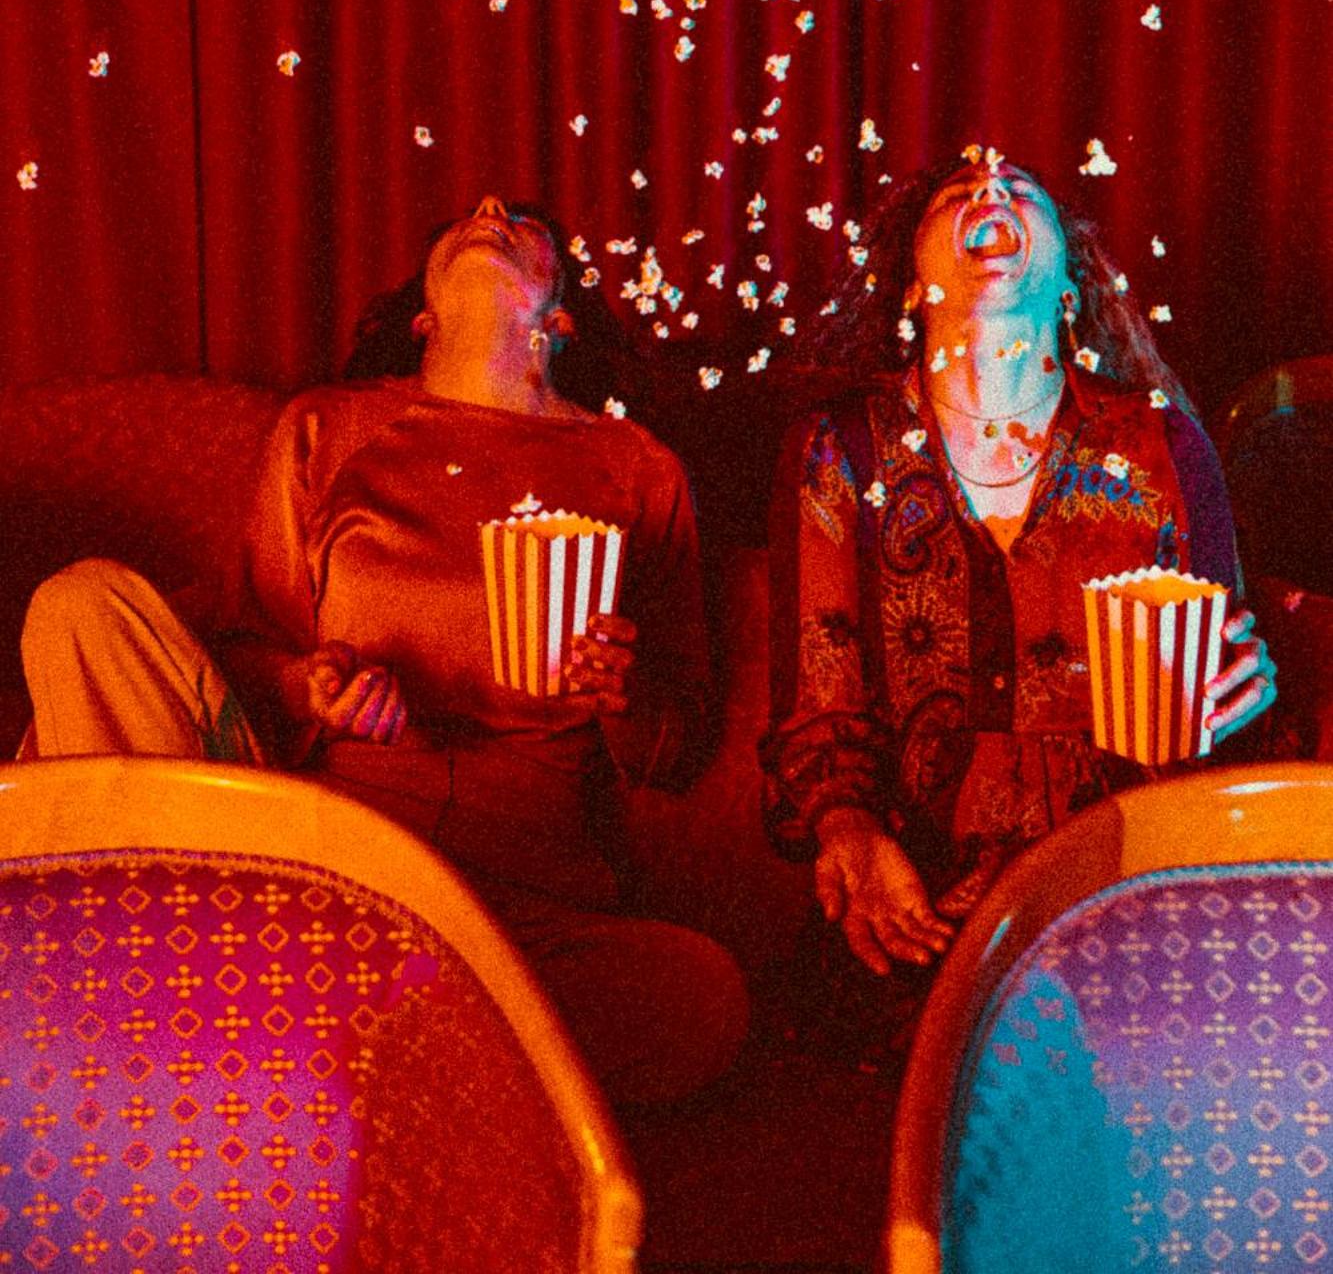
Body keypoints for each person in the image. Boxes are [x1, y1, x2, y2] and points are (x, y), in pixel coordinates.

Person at [22, 196, 747, 1106]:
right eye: (463, 224)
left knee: (699, 996)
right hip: (327, 867)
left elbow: (677, 746)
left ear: (559, 316)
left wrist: (624, 694)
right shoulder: (328, 431)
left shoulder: (635, 465)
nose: (489, 209)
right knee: (81, 603)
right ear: (423, 319)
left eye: (523, 225)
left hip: (512, 914)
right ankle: (323, 1035)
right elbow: (246, 650)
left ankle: (249, 1034)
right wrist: (310, 686)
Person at [761, 149, 1276, 1049]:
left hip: (1122, 900)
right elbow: (819, 699)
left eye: (1018, 191)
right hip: (912, 912)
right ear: (910, 283)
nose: (989, 190)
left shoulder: (1160, 444)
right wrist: (847, 829)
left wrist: (1246, 688)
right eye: (955, 195)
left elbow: (1214, 690)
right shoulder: (840, 449)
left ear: (1069, 282)